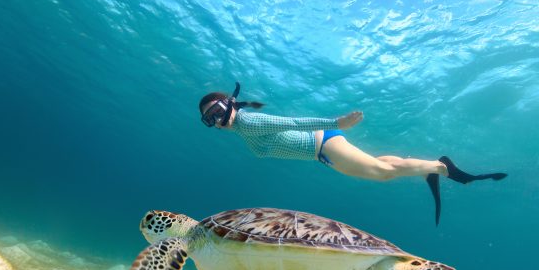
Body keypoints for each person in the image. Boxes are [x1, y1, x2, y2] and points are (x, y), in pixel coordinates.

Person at [199, 83, 507, 225]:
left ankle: (441, 168)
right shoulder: (242, 128)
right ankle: (432, 168)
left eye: (214, 112)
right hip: (322, 150)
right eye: (207, 120)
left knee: (382, 174)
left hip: (323, 144)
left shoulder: (248, 121)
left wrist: (337, 122)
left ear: (229, 104)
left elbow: (292, 122)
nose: (215, 121)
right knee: (382, 167)